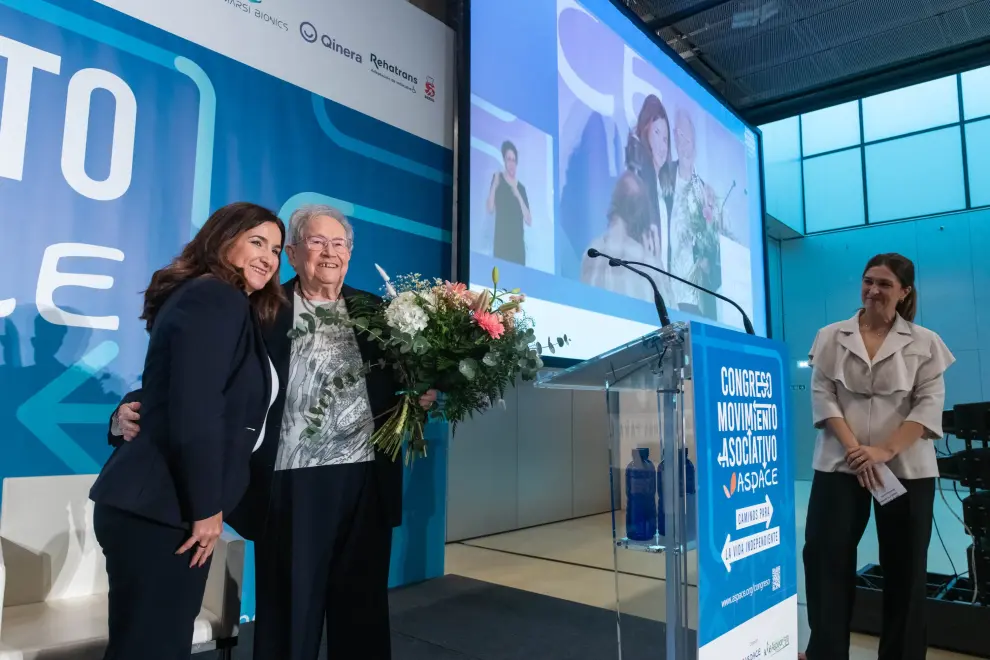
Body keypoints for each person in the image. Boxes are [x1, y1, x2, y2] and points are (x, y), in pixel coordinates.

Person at [110, 204, 437, 660]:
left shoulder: (379, 313)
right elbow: (196, 376)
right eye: (316, 242)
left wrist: (417, 398)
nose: (329, 252)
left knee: (362, 613)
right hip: (289, 482)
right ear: (296, 254)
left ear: (350, 253)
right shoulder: (261, 305)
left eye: (339, 243)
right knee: (289, 615)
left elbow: (405, 385)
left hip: (364, 481)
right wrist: (127, 409)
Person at [90, 202, 285, 660]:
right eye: (257, 242)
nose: (268, 258)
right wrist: (205, 507)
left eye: (276, 250)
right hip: (165, 512)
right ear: (223, 240)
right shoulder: (217, 297)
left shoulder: (214, 298)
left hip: (158, 509)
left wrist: (124, 414)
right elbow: (196, 410)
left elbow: (174, 387)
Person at [801, 253, 954, 660]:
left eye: (885, 284)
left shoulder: (926, 342)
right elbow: (823, 396)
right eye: (868, 281)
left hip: (906, 467)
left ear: (905, 292)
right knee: (824, 559)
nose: (873, 290)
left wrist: (883, 451)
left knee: (906, 569)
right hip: (840, 463)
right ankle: (826, 653)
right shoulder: (831, 336)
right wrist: (857, 451)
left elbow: (928, 405)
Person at [668, 107, 722, 320]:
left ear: (695, 143)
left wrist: (707, 261)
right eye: (679, 136)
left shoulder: (705, 193)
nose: (683, 144)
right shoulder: (664, 177)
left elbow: (715, 247)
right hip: (668, 295)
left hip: (698, 298)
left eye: (687, 137)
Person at [580, 171, 660, 302]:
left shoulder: (590, 253)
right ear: (640, 214)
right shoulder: (648, 264)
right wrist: (657, 261)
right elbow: (672, 313)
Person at [625, 93, 675, 267]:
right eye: (657, 132)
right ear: (645, 132)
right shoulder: (639, 182)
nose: (662, 145)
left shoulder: (665, 190)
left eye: (665, 139)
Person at [486, 140, 531, 265]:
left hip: (518, 251)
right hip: (501, 247)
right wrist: (494, 186)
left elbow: (529, 220)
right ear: (504, 161)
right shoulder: (498, 180)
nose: (511, 163)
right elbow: (490, 209)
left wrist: (518, 195)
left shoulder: (521, 188)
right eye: (508, 159)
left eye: (514, 160)